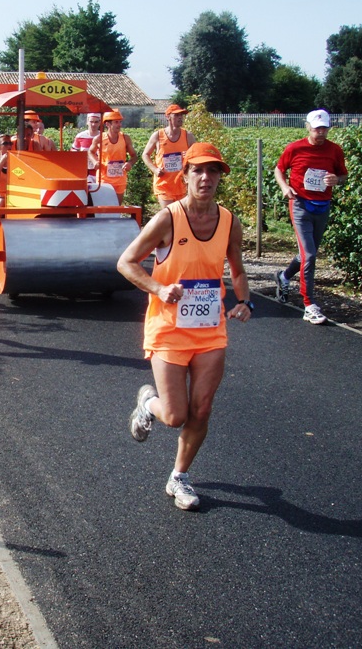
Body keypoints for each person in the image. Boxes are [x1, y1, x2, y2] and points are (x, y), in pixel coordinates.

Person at [117, 143, 252, 511]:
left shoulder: (228, 221)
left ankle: (179, 476)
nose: (205, 178)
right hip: (168, 328)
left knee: (202, 409)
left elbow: (237, 269)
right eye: (198, 171)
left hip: (210, 330)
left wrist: (244, 302)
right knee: (176, 415)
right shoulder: (168, 219)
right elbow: (126, 263)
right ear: (185, 175)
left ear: (220, 176)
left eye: (213, 171)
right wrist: (160, 288)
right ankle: (148, 401)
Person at [273, 109, 348, 325]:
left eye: (324, 129)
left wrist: (337, 179)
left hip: (322, 207)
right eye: (317, 129)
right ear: (308, 127)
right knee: (310, 255)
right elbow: (279, 169)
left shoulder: (335, 150)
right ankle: (309, 305)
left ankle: (284, 277)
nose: (321, 133)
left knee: (308, 254)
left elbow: (342, 174)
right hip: (300, 204)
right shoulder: (295, 148)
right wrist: (284, 187)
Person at [142, 104, 196, 208]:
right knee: (170, 215)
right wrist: (155, 169)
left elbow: (197, 155)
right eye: (176, 115)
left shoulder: (188, 136)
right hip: (164, 184)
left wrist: (189, 155)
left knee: (180, 217)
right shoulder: (158, 135)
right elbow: (145, 154)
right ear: (168, 117)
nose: (180, 117)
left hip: (182, 184)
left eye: (181, 115)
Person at [89, 110, 138, 204]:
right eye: (116, 122)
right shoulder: (99, 139)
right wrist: (95, 161)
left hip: (120, 179)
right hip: (104, 179)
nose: (119, 125)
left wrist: (130, 163)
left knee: (116, 208)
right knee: (103, 207)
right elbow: (90, 152)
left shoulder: (125, 138)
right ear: (107, 124)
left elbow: (134, 156)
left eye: (120, 122)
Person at [71, 112, 102, 181]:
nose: (93, 124)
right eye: (91, 122)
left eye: (96, 122)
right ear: (87, 122)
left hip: (99, 171)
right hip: (84, 171)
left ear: (100, 123)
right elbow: (73, 151)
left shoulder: (103, 136)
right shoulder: (80, 136)